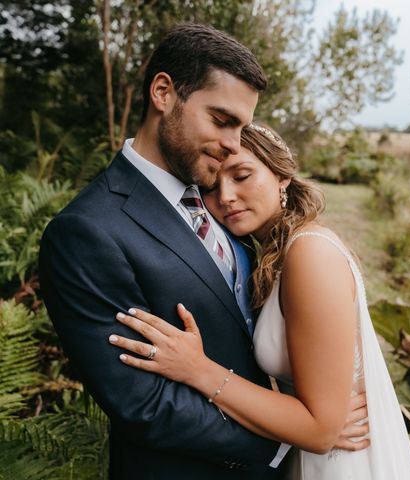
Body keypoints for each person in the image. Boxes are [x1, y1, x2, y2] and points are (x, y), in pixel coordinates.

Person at [39, 24, 365, 480]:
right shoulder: (86, 231)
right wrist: (292, 436)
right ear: (163, 93)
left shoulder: (218, 203)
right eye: (222, 120)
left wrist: (311, 418)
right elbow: (142, 403)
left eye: (243, 127)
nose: (234, 143)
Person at [108, 123, 410, 479]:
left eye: (242, 176)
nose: (226, 196)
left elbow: (321, 431)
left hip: (342, 462)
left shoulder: (309, 253)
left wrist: (198, 369)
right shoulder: (269, 257)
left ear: (281, 176)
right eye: (211, 186)